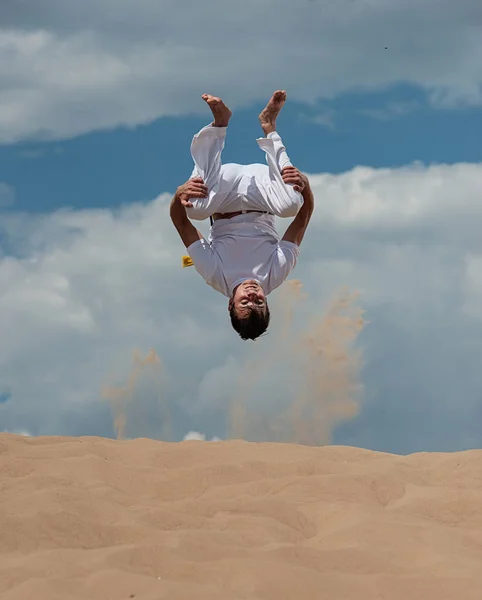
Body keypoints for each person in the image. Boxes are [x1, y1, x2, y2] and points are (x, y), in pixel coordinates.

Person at [170, 90, 314, 340]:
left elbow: (181, 223)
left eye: (245, 304)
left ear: (230, 304)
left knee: (196, 209)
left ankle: (219, 125)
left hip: (222, 195)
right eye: (259, 304)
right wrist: (306, 184)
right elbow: (301, 221)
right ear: (267, 302)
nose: (252, 297)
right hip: (262, 191)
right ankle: (269, 126)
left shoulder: (215, 275)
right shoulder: (275, 275)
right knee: (291, 205)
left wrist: (178, 193)